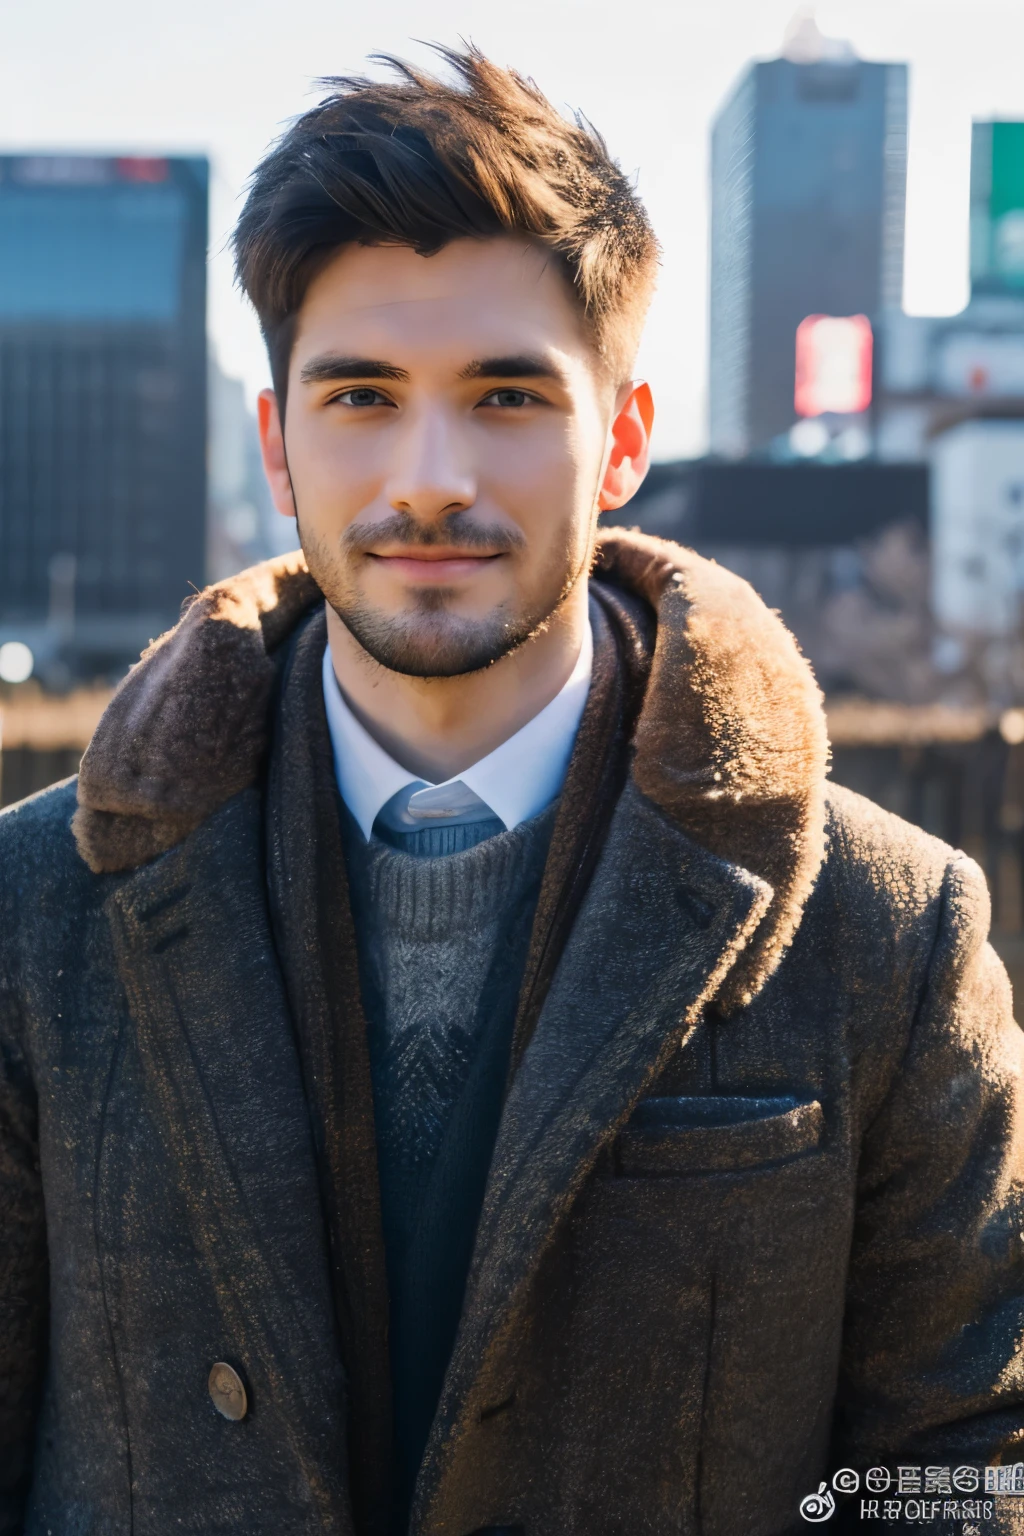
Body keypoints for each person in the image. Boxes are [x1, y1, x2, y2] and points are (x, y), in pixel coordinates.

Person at [1, 46, 1023, 1536]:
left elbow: (962, 1460)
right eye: (361, 395)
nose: (429, 478)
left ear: (620, 439)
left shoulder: (885, 929)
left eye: (503, 396)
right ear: (278, 442)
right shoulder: (35, 914)